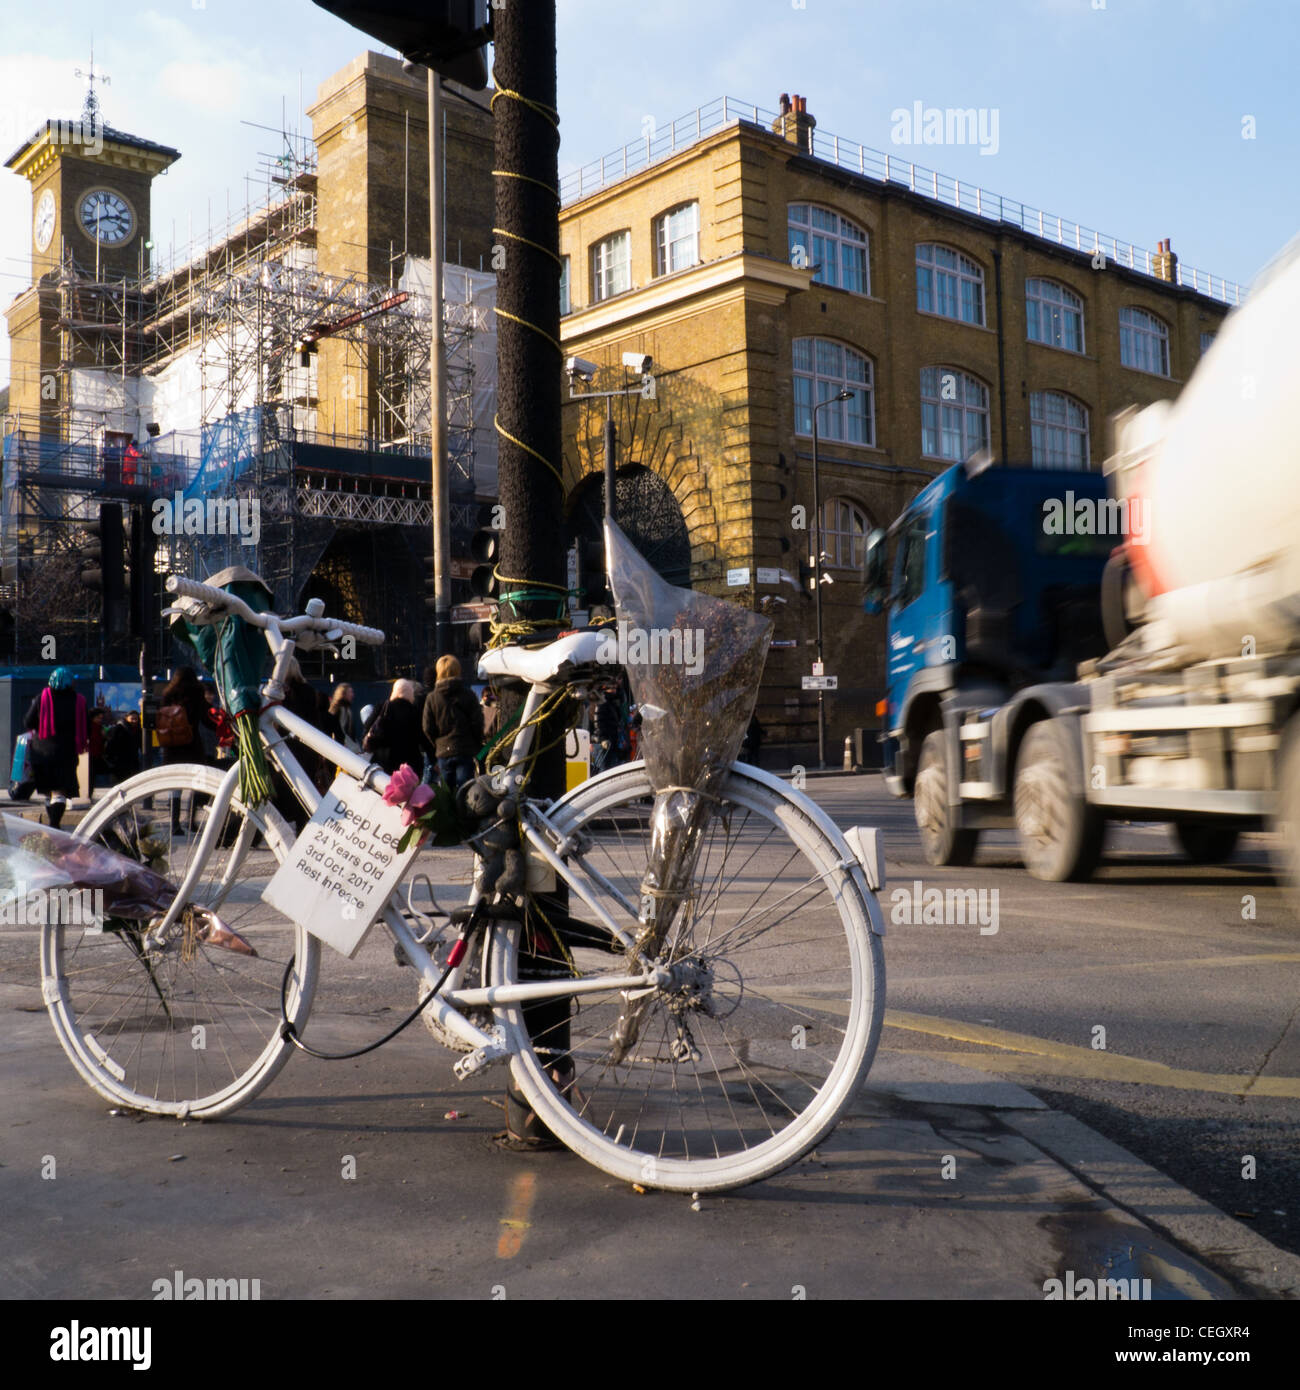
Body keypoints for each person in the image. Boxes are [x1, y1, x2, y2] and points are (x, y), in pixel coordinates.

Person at [22, 667, 88, 828]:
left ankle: (53, 825)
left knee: (48, 790)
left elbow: (28, 722)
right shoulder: (78, 700)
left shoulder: (42, 698)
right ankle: (54, 824)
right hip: (66, 752)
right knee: (60, 792)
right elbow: (86, 727)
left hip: (42, 751)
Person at [157, 667, 208, 833]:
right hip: (191, 743)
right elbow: (204, 717)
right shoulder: (197, 693)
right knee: (195, 784)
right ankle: (191, 821)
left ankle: (174, 824)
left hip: (172, 745)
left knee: (175, 787)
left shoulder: (167, 695)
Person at [422, 655, 484, 792]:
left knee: (446, 792)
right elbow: (477, 723)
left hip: (443, 751)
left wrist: (437, 744)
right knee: (465, 791)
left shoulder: (432, 698)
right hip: (465, 749)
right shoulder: (469, 695)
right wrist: (476, 744)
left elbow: (427, 727)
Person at [364, 679, 428, 777]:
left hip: (383, 761)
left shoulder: (383, 707)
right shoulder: (414, 712)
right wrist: (432, 757)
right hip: (409, 764)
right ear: (410, 694)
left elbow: (368, 725)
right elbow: (423, 737)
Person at [330, 684, 357, 749]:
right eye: (350, 692)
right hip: (340, 746)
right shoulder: (341, 709)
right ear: (343, 694)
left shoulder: (345, 709)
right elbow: (341, 730)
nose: (352, 695)